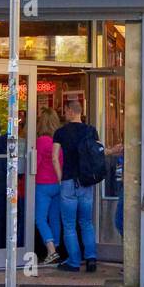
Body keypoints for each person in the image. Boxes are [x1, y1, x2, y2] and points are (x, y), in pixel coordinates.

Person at [52, 100, 98, 273]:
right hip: (86, 182)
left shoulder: (61, 133)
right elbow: (97, 153)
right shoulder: (91, 131)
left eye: (65, 111)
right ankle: (91, 259)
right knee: (86, 222)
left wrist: (60, 178)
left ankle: (74, 262)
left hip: (68, 181)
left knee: (69, 224)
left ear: (70, 111)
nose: (64, 114)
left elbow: (55, 157)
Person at [34, 106, 62, 264]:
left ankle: (51, 250)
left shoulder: (41, 141)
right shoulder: (59, 141)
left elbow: (35, 164)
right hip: (58, 184)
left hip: (43, 184)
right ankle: (56, 250)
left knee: (40, 218)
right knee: (55, 218)